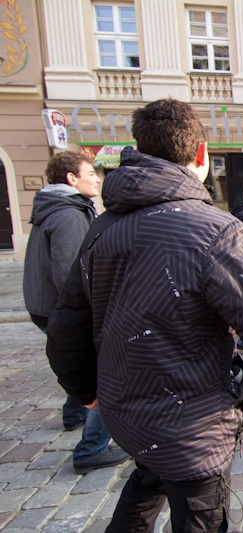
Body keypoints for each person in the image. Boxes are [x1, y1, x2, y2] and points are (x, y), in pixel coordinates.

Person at [46, 98, 243, 532]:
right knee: (197, 509)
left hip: (130, 408)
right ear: (199, 153)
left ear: (139, 149)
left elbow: (67, 322)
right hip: (190, 420)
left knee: (149, 478)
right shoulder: (213, 228)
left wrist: (84, 388)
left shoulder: (104, 224)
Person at [23, 151, 130, 474]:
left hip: (46, 306)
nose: (97, 178)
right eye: (90, 173)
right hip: (61, 308)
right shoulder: (69, 214)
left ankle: (73, 412)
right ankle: (91, 448)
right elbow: (72, 275)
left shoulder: (59, 207)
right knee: (108, 375)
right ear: (72, 179)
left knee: (83, 363)